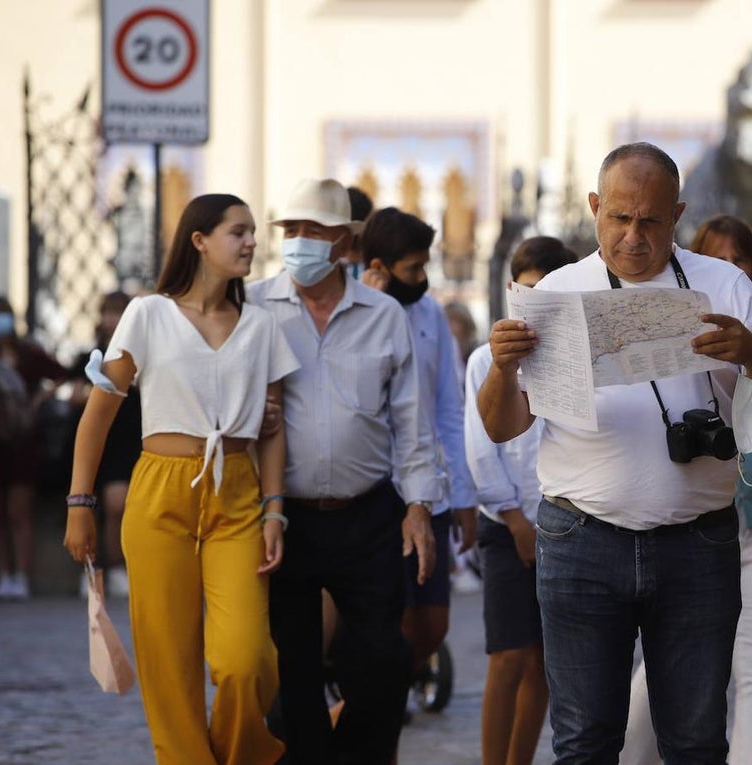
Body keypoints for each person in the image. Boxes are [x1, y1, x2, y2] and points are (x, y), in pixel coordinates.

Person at [478, 143, 752, 764]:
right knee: (583, 743)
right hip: (580, 540)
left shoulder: (724, 284)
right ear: (595, 208)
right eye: (619, 218)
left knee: (696, 741)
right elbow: (503, 426)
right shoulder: (556, 292)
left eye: (650, 221)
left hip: (697, 543)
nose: (633, 236)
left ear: (677, 215)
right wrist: (501, 370)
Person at [64, 193, 298, 764]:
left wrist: (274, 510)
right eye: (237, 232)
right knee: (168, 662)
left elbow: (272, 429)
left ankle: (240, 754)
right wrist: (80, 503)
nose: (250, 243)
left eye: (251, 234)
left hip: (238, 492)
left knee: (247, 659)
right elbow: (99, 415)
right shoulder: (147, 314)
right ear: (199, 240)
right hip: (159, 490)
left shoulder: (263, 326)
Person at [247, 178, 439, 764]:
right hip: (285, 517)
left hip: (369, 514)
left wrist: (418, 507)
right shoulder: (253, 307)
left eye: (312, 232)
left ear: (343, 242)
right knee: (294, 668)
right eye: (291, 231)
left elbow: (412, 421)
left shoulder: (383, 315)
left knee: (385, 662)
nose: (298, 242)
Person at [622, 214, 752, 765]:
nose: (732, 270)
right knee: (666, 666)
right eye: (718, 258)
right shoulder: (666, 336)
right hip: (694, 527)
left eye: (742, 260)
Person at [466, 236, 577, 765]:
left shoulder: (576, 364)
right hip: (508, 526)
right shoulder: (483, 362)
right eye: (529, 292)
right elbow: (483, 447)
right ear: (513, 291)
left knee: (542, 662)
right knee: (507, 655)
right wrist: (514, 521)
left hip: (562, 524)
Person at [358, 206, 479, 686]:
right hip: (372, 491)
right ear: (380, 267)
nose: (423, 277)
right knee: (386, 619)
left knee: (431, 624)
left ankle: (375, 702)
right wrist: (367, 316)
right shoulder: (350, 310)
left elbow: (449, 409)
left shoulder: (430, 313)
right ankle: (372, 709)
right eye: (414, 268)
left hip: (429, 489)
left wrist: (465, 497)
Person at [0, 296, 67, 601]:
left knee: (19, 511)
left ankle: (21, 576)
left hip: (23, 439)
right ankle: (4, 575)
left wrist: (36, 403)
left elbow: (62, 373)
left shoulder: (29, 354)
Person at [69, 291, 143, 598]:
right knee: (93, 505)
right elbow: (75, 396)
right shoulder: (91, 356)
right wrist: (100, 391)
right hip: (101, 438)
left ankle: (117, 567)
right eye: (107, 312)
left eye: (118, 312)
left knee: (118, 503)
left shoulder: (141, 352)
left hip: (131, 438)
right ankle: (94, 568)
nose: (112, 319)